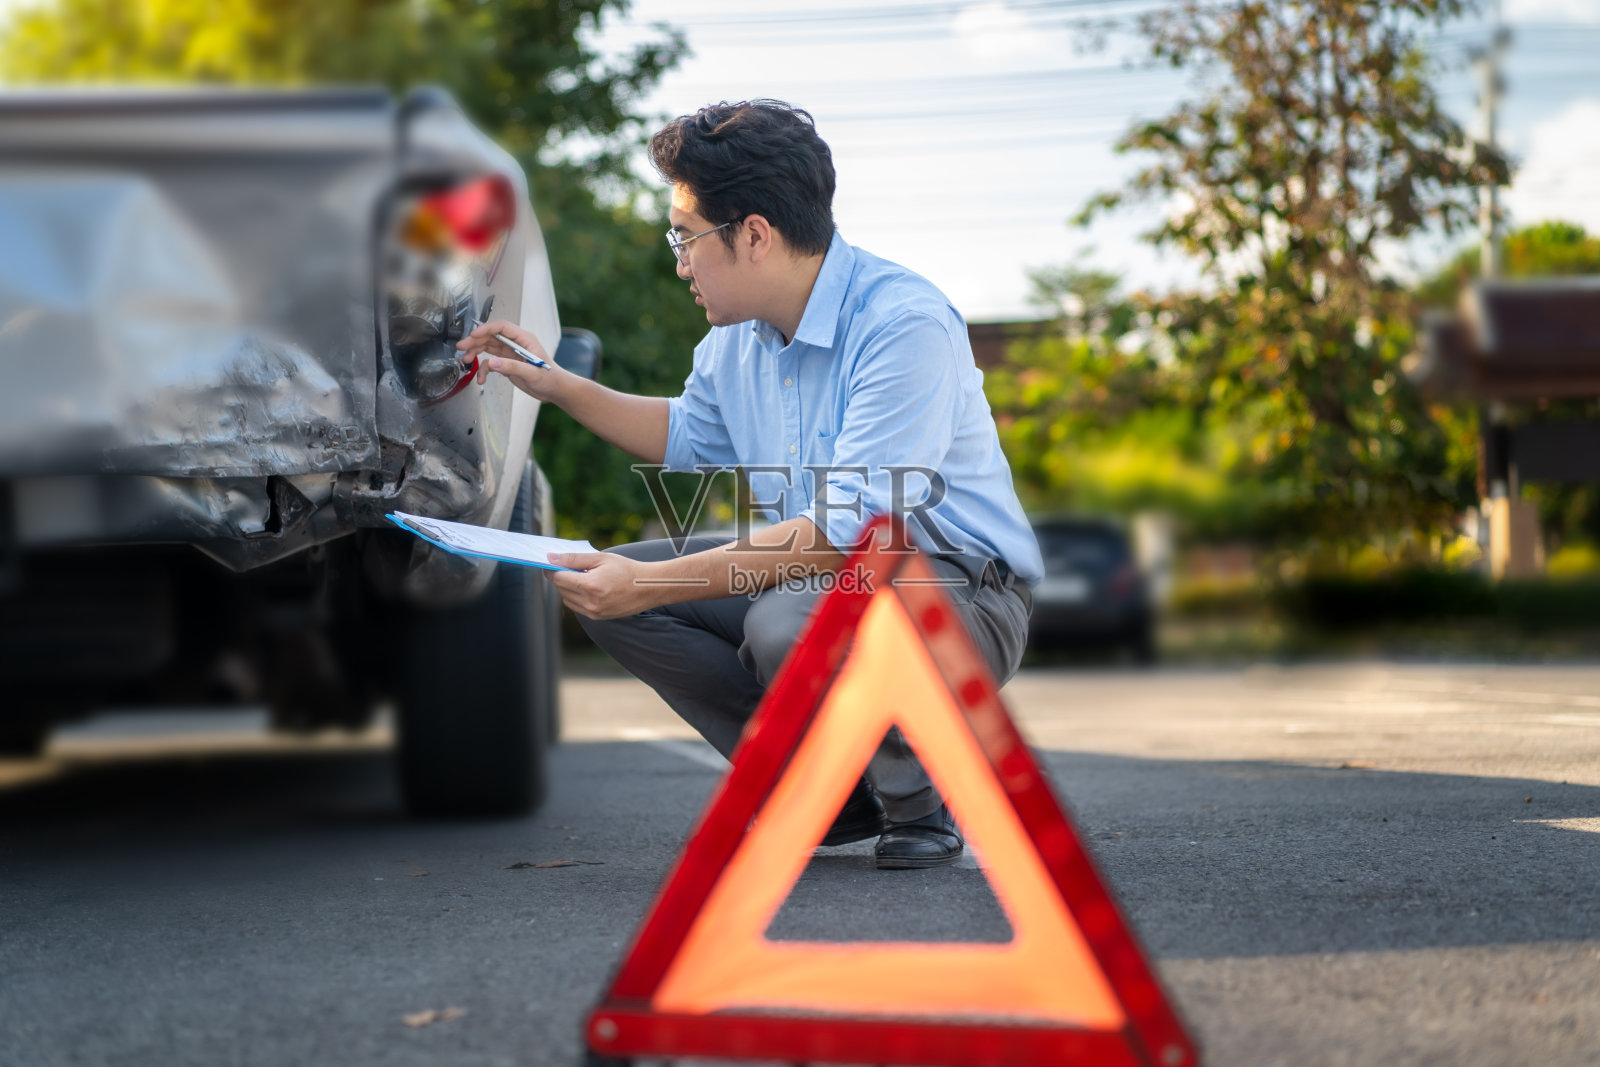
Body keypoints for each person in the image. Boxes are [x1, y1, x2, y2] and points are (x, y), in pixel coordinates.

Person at [455, 100, 1042, 869]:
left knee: (779, 619)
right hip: (827, 576)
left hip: (966, 593)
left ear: (754, 234)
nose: (679, 261)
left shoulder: (904, 324)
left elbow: (843, 531)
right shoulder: (736, 344)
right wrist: (554, 383)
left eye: (685, 237)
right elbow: (679, 433)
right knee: (601, 586)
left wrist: (653, 581)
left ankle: (919, 800)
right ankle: (826, 792)